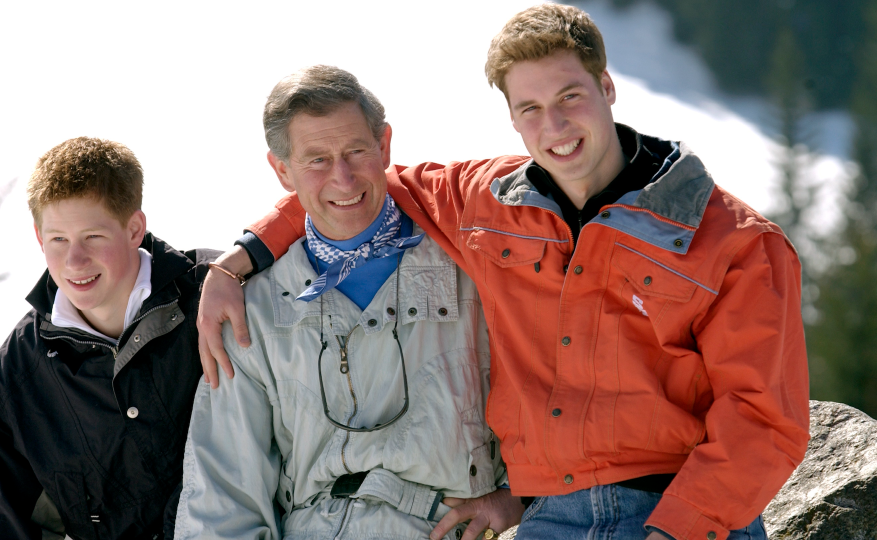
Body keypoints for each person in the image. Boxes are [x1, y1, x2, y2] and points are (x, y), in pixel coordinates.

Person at [196, 5, 810, 540]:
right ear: (513, 118)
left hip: (673, 511)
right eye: (531, 108)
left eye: (570, 96)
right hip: (552, 518)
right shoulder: (484, 203)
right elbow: (354, 190)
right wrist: (241, 258)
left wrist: (674, 533)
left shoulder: (734, 241)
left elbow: (763, 420)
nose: (556, 127)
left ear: (607, 85)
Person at [174, 65, 524, 540]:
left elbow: (556, 397)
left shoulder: (475, 268)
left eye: (356, 150)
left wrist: (521, 497)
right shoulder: (250, 310)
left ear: (384, 146)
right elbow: (223, 497)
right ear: (282, 170)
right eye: (316, 159)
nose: (342, 178)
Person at [0, 137, 218, 539]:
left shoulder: (215, 294)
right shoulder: (19, 369)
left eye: (93, 237)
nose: (74, 261)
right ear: (39, 237)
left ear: (134, 228)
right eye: (58, 240)